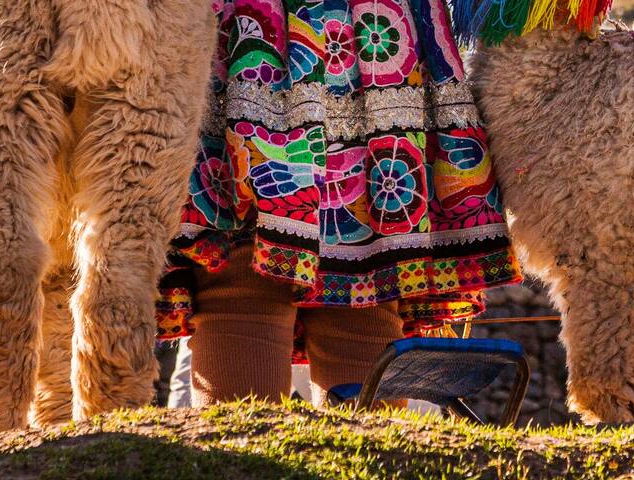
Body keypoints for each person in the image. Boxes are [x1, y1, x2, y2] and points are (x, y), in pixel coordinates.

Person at [156, 0, 521, 405]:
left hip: (285, 30)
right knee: (353, 274)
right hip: (372, 33)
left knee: (265, 282)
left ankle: (247, 457)